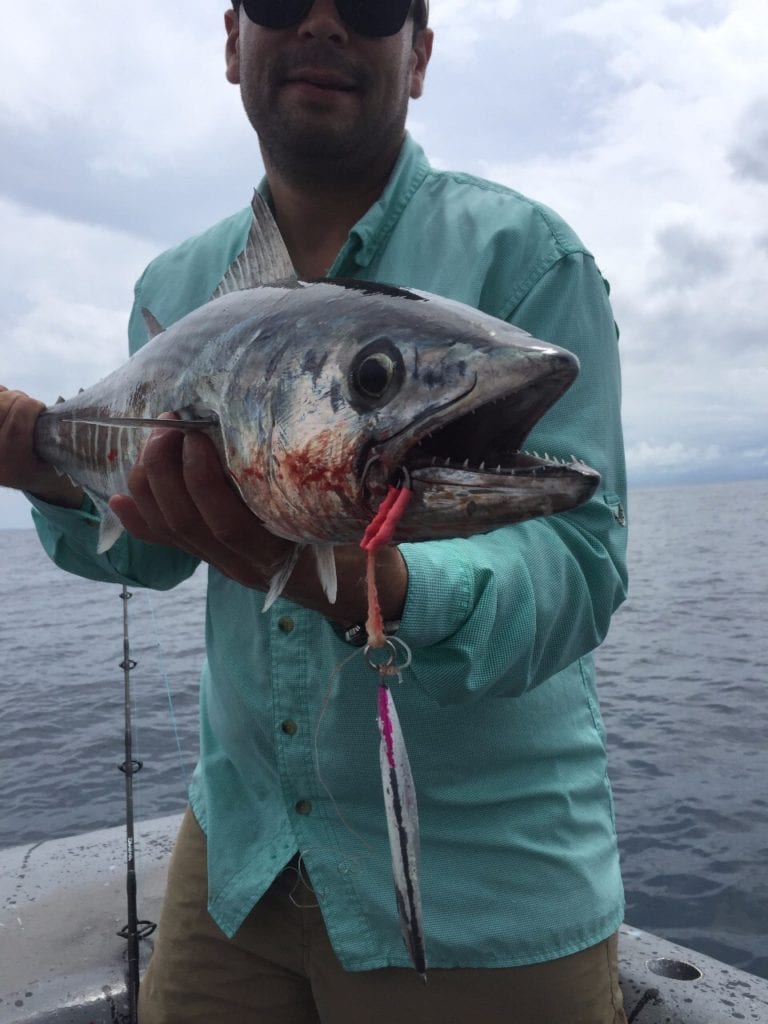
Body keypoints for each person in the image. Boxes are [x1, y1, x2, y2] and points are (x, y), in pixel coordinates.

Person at [0, 1, 630, 1021]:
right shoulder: (174, 286)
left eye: (375, 4)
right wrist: (35, 455)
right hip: (239, 854)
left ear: (419, 53)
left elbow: (580, 560)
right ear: (231, 40)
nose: (325, 25)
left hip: (481, 887)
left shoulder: (532, 257)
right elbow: (151, 552)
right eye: (283, 0)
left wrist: (372, 583)